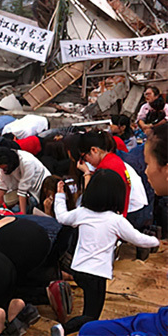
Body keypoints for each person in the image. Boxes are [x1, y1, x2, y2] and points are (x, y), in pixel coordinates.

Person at [76, 124, 168, 336]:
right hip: (161, 318)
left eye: (147, 164)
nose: (145, 171)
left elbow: (112, 206)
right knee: (91, 329)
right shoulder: (110, 163)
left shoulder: (109, 169)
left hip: (134, 215)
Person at [51, 169, 160, 336]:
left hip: (78, 270)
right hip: (96, 274)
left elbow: (62, 217)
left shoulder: (82, 213)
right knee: (91, 316)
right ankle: (63, 330)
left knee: (89, 307)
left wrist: (59, 196)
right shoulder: (115, 220)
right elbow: (137, 239)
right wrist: (155, 241)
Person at [77, 130, 132, 216]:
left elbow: (90, 200)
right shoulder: (113, 159)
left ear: (94, 150)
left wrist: (86, 173)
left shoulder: (106, 168)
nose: (86, 161)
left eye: (84, 157)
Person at [0, 146, 51, 214]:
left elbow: (22, 190)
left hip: (38, 189)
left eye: (5, 168)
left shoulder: (27, 162)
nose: (3, 170)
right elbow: (3, 183)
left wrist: (22, 215)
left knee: (16, 210)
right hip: (21, 191)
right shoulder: (1, 162)